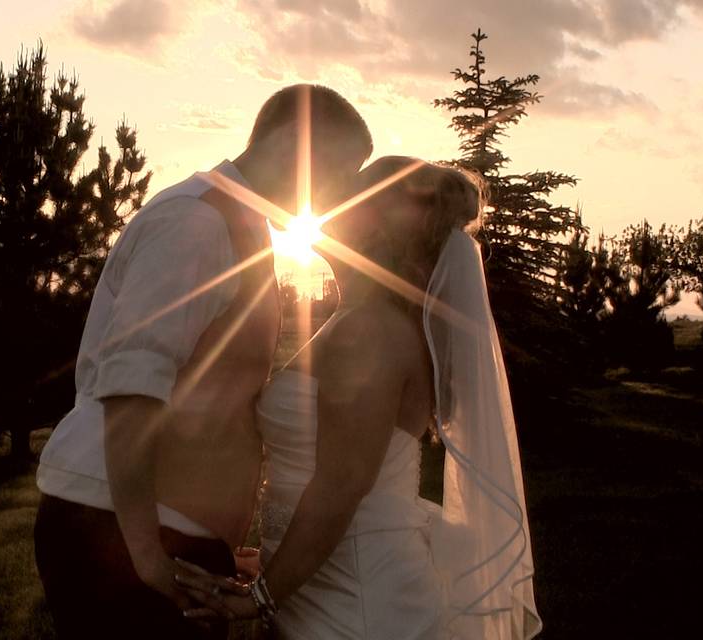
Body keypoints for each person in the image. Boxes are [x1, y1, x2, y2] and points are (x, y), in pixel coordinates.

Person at [33, 84, 373, 639]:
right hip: (119, 533)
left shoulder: (240, 224)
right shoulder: (197, 222)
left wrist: (214, 535)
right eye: (339, 169)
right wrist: (145, 554)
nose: (337, 197)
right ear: (295, 143)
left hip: (166, 529)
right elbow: (131, 389)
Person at [175, 157, 542, 639]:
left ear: (379, 226)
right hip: (320, 577)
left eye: (353, 195)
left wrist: (260, 597)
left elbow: (339, 489)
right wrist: (271, 556)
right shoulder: (362, 320)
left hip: (358, 599)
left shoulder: (369, 333)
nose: (330, 205)